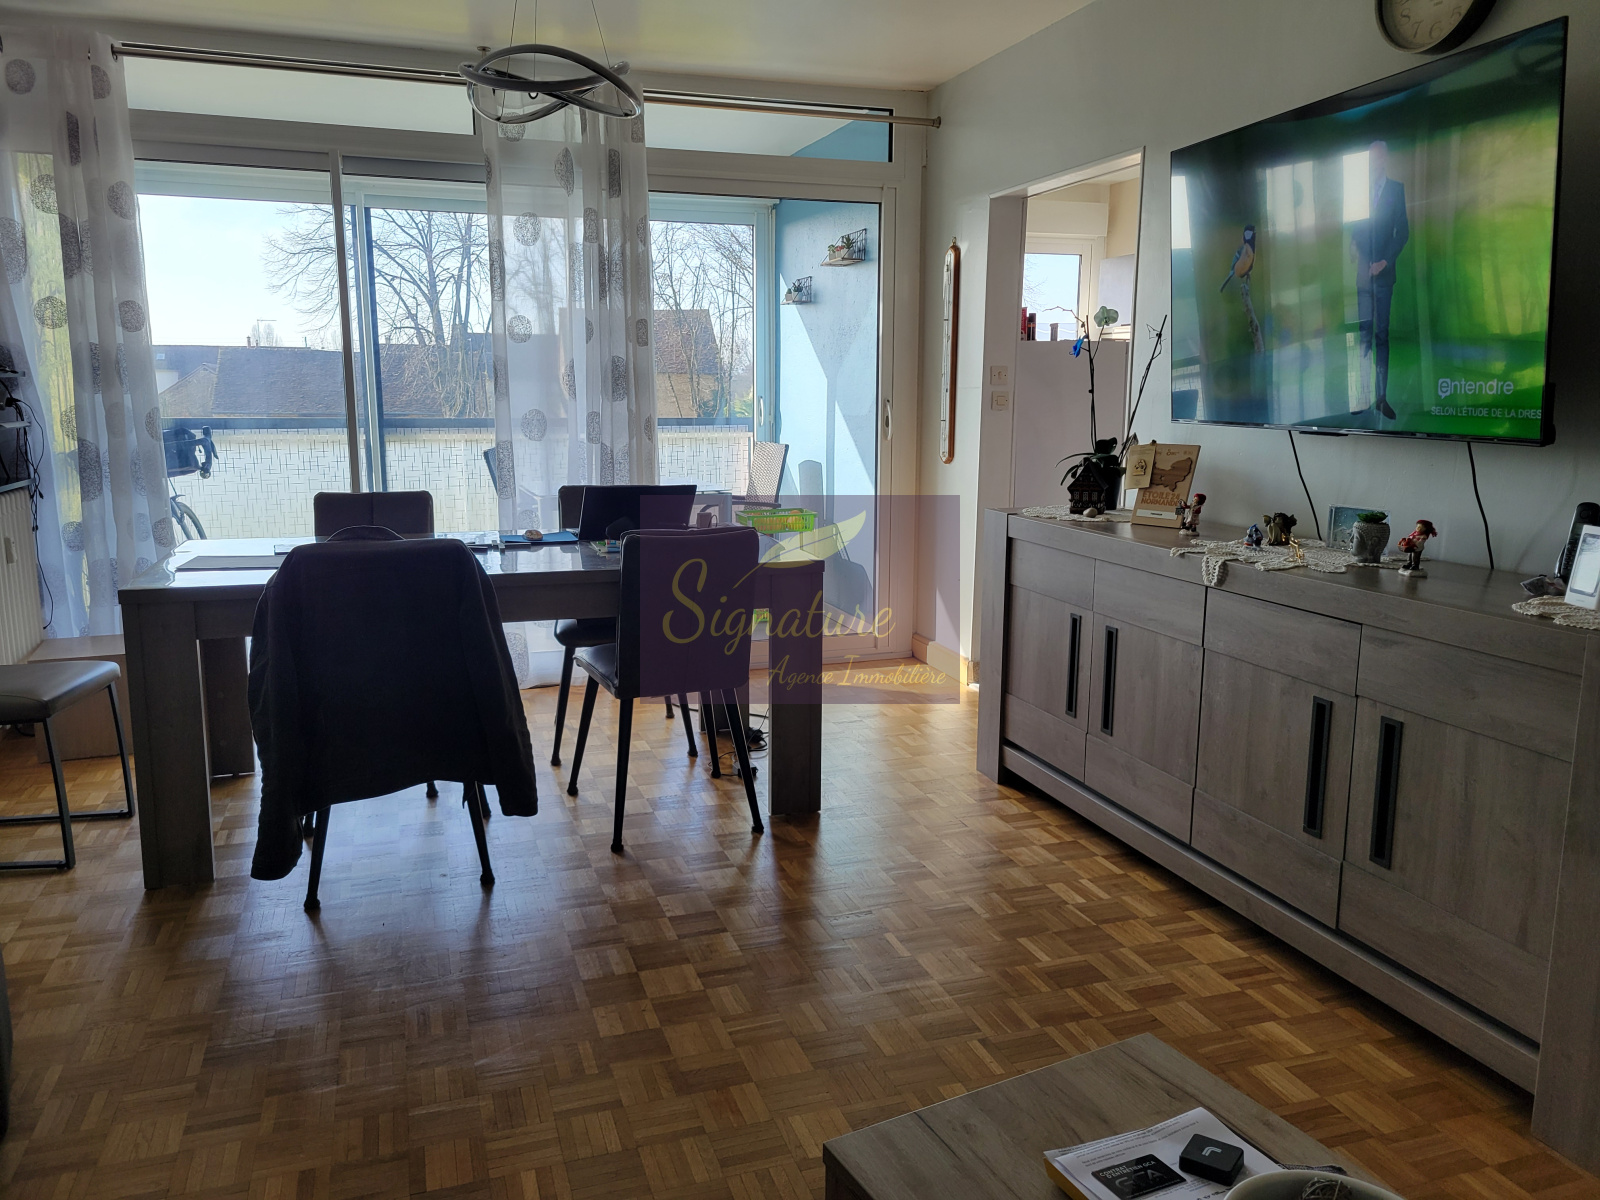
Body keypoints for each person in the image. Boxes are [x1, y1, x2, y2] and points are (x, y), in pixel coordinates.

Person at [1350, 141, 1409, 420]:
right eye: (1370, 158)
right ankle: (1362, 396)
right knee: (1364, 335)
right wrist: (1355, 249)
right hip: (1363, 277)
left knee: (1381, 335)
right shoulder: (1359, 193)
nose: (1374, 163)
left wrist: (1385, 261)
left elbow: (1403, 232)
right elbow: (1356, 229)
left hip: (1384, 277)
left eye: (1378, 157)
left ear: (1385, 159)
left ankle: (1381, 399)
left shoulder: (1396, 189)